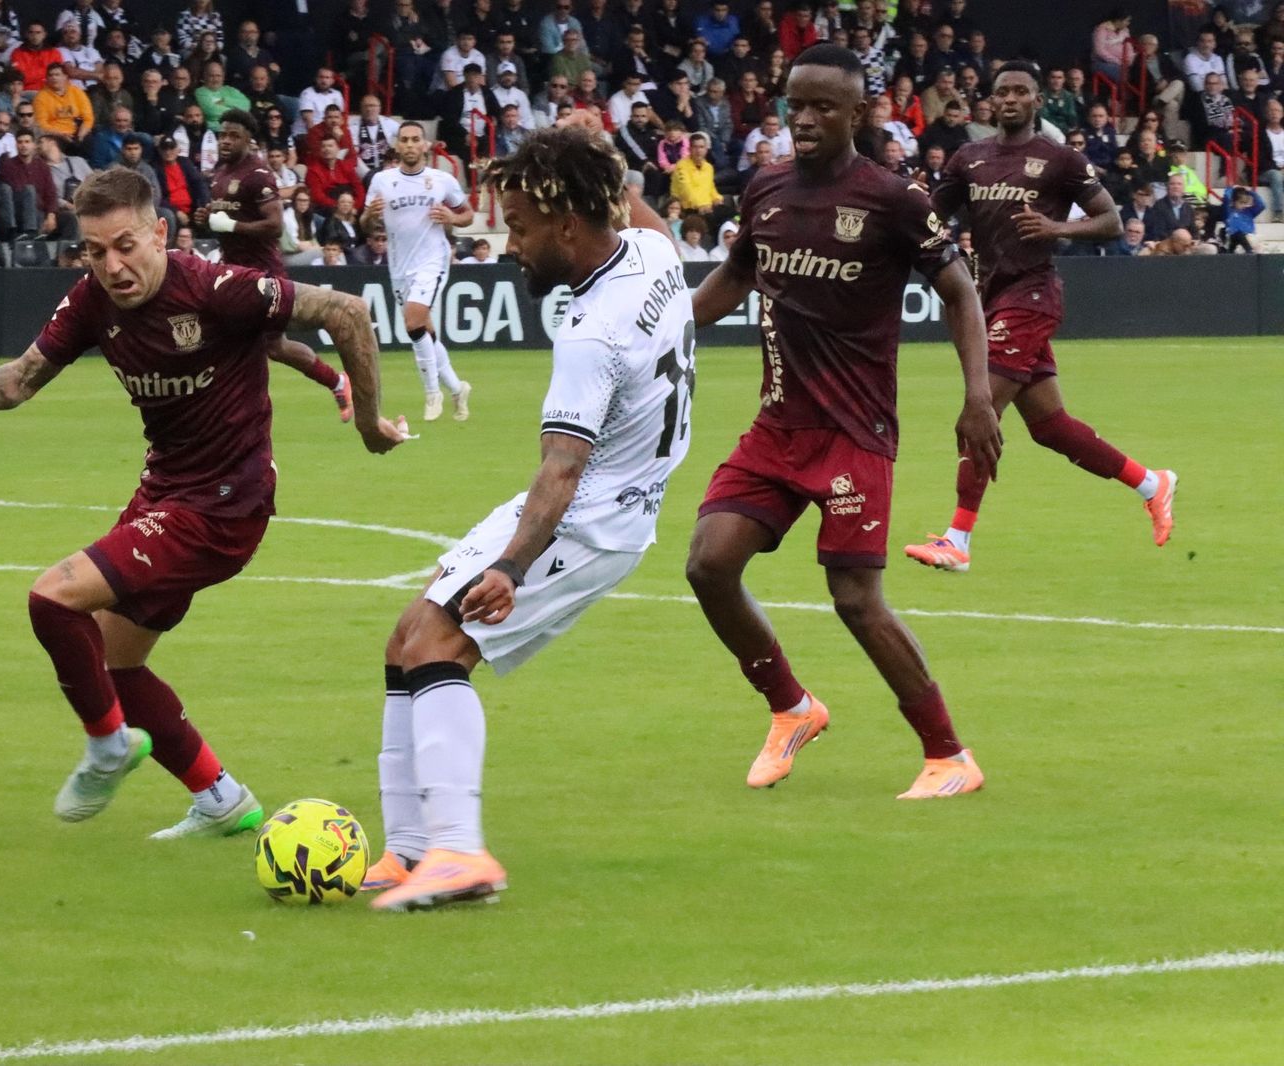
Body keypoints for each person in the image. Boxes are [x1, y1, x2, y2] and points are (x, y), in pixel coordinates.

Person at [0, 167, 405, 839]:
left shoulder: (215, 290)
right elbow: (23, 378)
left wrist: (367, 422)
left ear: (160, 232)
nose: (112, 265)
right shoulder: (92, 301)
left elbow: (347, 311)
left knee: (52, 598)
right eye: (95, 251)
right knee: (112, 664)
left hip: (221, 508)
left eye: (125, 245)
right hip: (165, 494)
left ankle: (107, 746)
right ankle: (221, 798)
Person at [366, 125, 688, 910]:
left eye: (519, 225)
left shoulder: (590, 331)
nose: (507, 242)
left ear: (568, 227)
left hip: (592, 517)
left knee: (444, 641)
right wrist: (594, 151)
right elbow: (637, 210)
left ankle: (458, 852)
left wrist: (509, 567)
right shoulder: (654, 251)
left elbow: (562, 469)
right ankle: (409, 851)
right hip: (598, 498)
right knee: (407, 635)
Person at [687, 44, 1002, 800]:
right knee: (709, 564)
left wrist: (979, 396)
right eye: (795, 104)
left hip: (854, 433)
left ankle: (949, 755)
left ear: (859, 114)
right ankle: (792, 707)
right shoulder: (763, 189)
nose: (804, 119)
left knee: (856, 598)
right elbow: (734, 277)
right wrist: (656, 330)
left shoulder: (894, 200)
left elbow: (960, 293)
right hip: (778, 425)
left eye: (823, 106)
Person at [904, 60, 1175, 575]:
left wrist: (1056, 228)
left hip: (1031, 294)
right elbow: (932, 218)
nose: (1009, 98)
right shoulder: (968, 158)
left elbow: (1112, 220)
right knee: (1050, 427)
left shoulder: (1059, 160)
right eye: (1001, 91)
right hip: (988, 297)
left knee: (979, 409)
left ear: (1036, 101)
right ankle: (1152, 482)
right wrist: (908, 202)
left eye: (1020, 91)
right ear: (991, 99)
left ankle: (958, 538)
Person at [193, 109, 353, 422]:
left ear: (248, 139)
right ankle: (227, 408)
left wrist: (230, 227)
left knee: (271, 346)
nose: (225, 141)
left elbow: (275, 225)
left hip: (262, 274)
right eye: (222, 134)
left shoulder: (259, 174)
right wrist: (208, 220)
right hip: (230, 271)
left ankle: (336, 381)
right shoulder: (220, 171)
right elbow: (226, 218)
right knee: (232, 340)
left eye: (233, 135)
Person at [361, 121, 475, 422]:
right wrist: (368, 216)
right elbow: (365, 224)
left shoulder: (442, 180)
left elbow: (468, 215)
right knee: (425, 332)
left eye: (416, 140)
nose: (410, 145)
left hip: (432, 261)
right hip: (399, 266)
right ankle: (456, 387)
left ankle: (431, 393)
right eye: (405, 140)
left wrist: (451, 215)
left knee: (413, 322)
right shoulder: (382, 181)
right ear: (397, 146)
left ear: (425, 145)